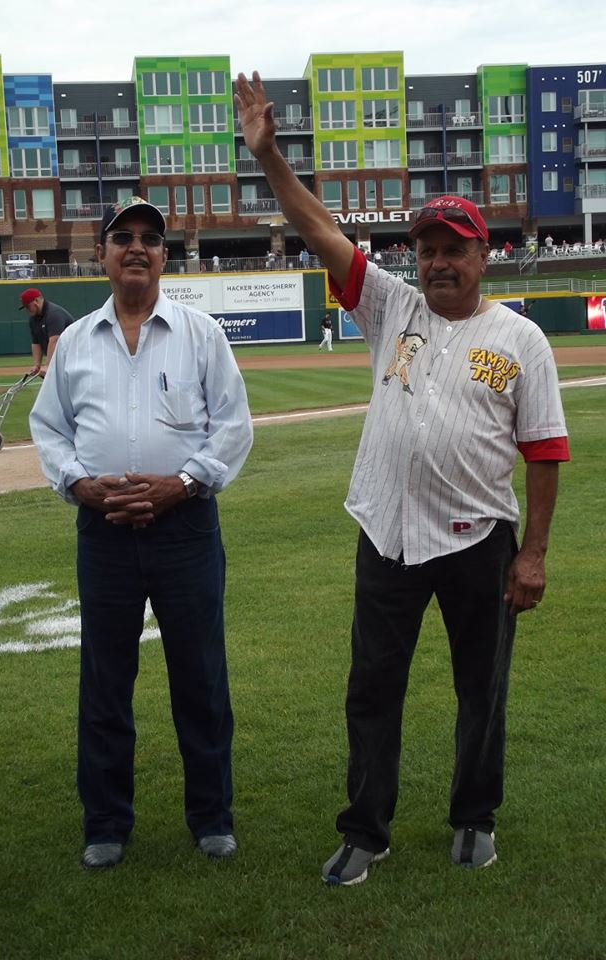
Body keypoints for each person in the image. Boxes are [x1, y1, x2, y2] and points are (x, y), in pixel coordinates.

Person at [236, 71, 570, 885]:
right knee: (371, 691)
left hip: (478, 542)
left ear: (483, 254)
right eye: (427, 248)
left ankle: (473, 819)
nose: (438, 261)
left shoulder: (521, 341)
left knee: (479, 694)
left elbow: (546, 451)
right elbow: (318, 230)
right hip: (385, 532)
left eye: (454, 247)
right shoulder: (391, 306)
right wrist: (271, 158)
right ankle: (365, 829)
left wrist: (532, 553)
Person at [29, 196, 253, 870]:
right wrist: (79, 484)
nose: (136, 247)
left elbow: (233, 426)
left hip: (185, 529)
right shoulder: (75, 344)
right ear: (101, 253)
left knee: (201, 677)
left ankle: (211, 815)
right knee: (104, 681)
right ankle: (105, 822)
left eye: (149, 239)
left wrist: (182, 482)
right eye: (121, 237)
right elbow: (49, 429)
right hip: (104, 535)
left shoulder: (200, 333)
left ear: (163, 255)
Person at [19, 287, 75, 376]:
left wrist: (48, 365)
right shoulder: (33, 319)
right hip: (62, 358)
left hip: (74, 356)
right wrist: (37, 365)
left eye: (28, 306)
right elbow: (36, 342)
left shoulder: (53, 314)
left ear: (36, 301)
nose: (27, 310)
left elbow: (54, 340)